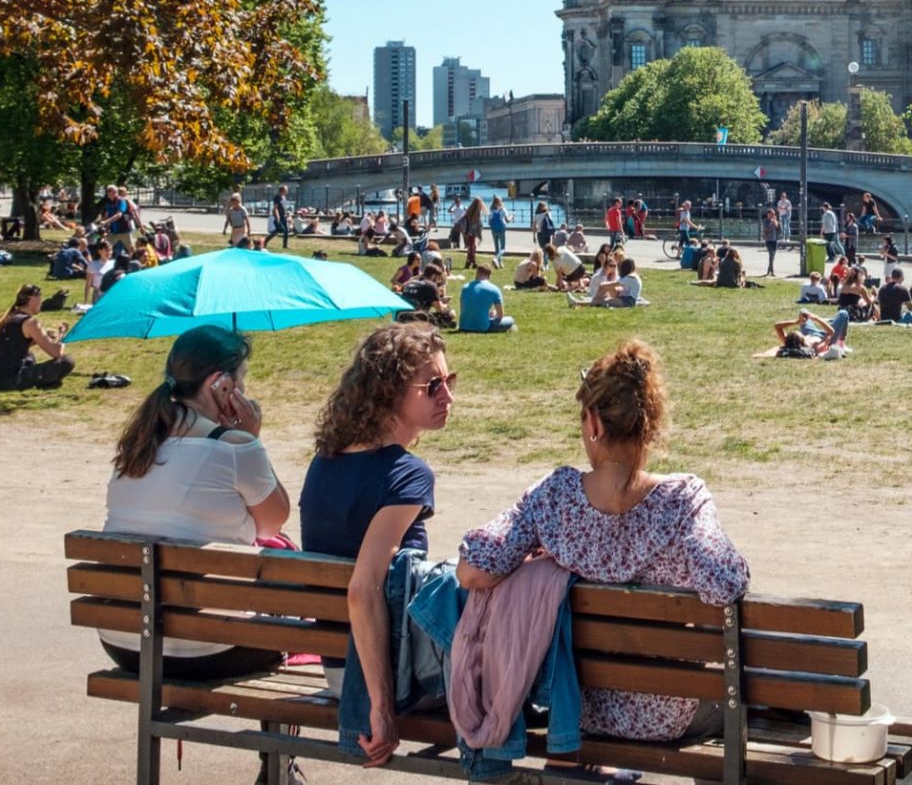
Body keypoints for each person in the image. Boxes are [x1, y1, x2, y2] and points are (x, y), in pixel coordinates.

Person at [459, 340, 749, 742]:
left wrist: (541, 561)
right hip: (667, 715)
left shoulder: (555, 496)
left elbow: (473, 570)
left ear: (593, 424)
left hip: (575, 711)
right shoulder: (683, 499)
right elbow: (724, 584)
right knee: (753, 701)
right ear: (649, 426)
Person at [99, 326, 288, 678]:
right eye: (242, 379)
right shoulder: (234, 446)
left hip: (124, 643)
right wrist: (252, 440)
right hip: (209, 648)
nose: (245, 391)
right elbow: (273, 522)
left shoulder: (139, 443)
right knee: (288, 598)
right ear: (221, 384)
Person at [300, 323, 450, 764]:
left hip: (331, 665)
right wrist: (381, 707)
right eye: (433, 386)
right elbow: (363, 590)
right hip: (373, 677)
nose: (448, 397)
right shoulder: (407, 476)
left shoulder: (324, 464)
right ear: (388, 394)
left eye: (449, 381)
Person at [0, 285, 74, 391]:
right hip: (9, 381)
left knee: (29, 356)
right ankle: (46, 382)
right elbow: (56, 353)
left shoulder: (2, 319)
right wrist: (62, 335)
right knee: (66, 362)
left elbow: (13, 345)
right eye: (40, 298)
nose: (41, 302)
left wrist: (43, 336)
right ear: (32, 299)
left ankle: (47, 381)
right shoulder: (30, 322)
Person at [459, 264, 516, 333]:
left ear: (477, 273)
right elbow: (500, 315)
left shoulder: (465, 287)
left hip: (464, 325)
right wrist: (494, 314)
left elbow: (463, 309)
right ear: (489, 275)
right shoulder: (494, 289)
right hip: (482, 327)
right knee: (510, 319)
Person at [486, 196, 507, 263]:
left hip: (493, 229)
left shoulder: (491, 210)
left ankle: (499, 261)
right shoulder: (503, 210)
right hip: (501, 229)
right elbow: (507, 220)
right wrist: (512, 216)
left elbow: (489, 222)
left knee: (496, 247)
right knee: (503, 248)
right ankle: (496, 259)